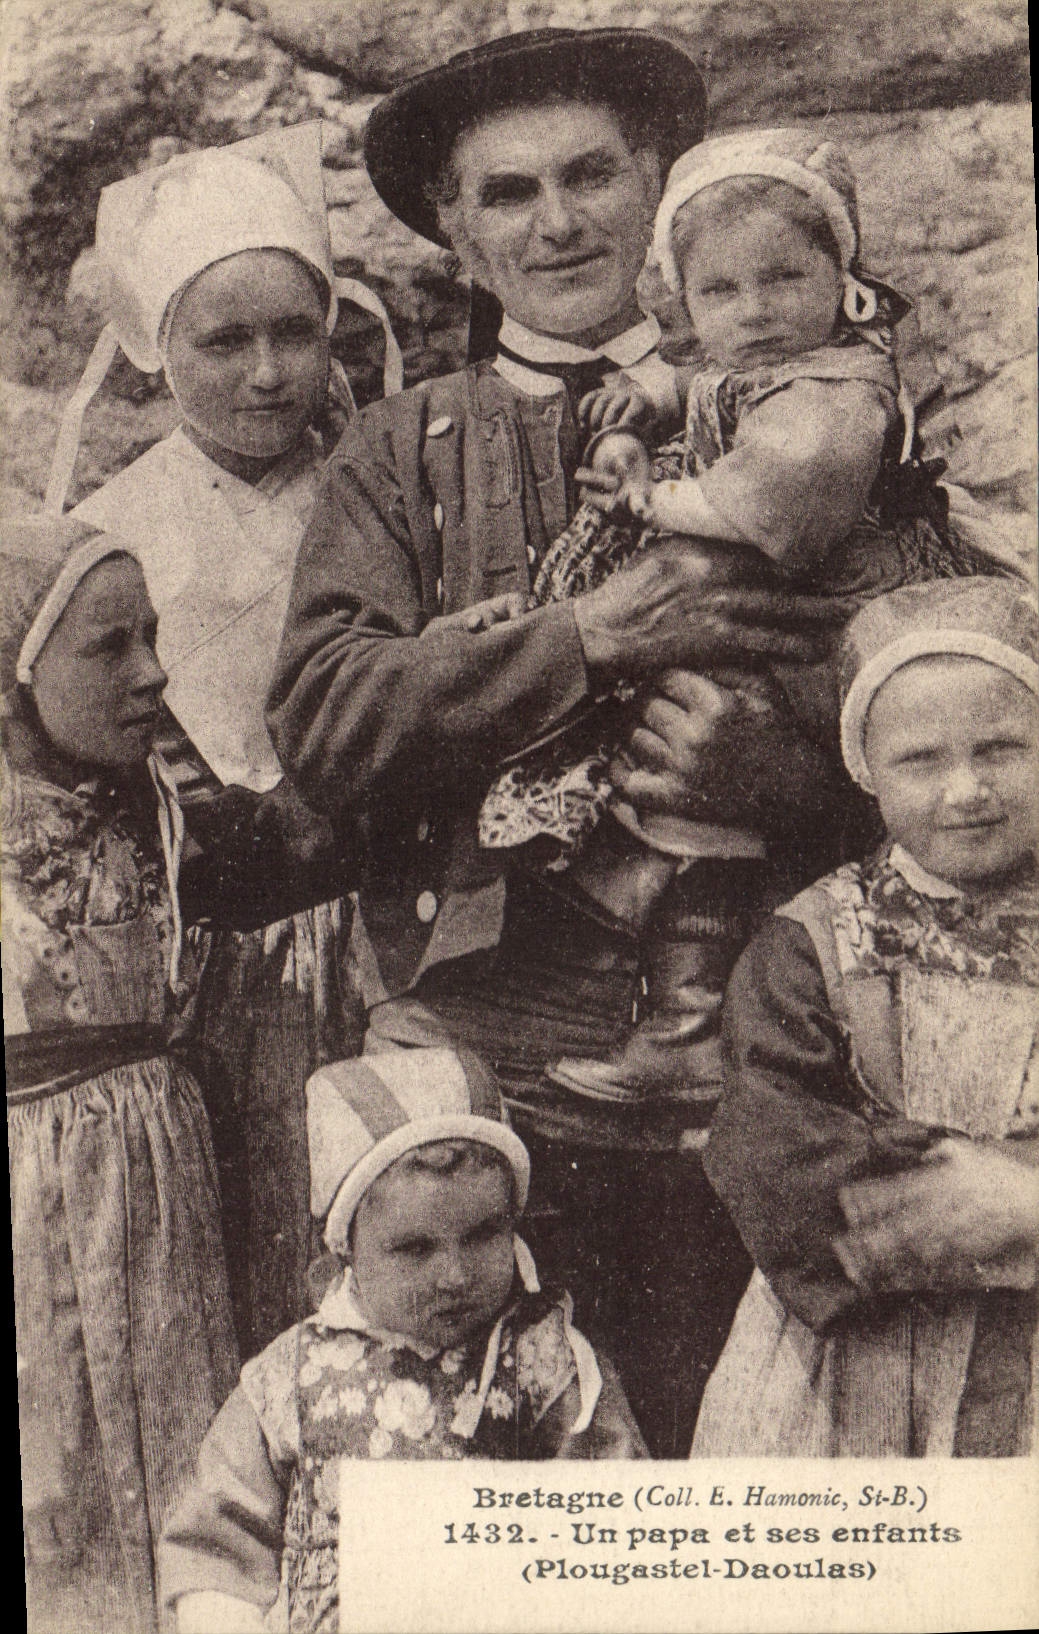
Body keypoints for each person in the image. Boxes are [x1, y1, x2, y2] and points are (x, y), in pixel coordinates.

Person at [267, 27, 870, 1454]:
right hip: (481, 1087)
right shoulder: (402, 448)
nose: (557, 220)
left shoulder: (811, 409)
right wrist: (585, 639)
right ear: (458, 239)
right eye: (509, 193)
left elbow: (954, 714)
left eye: (591, 174)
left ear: (655, 187)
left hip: (762, 1066)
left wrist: (777, 775)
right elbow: (325, 726)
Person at [477, 125, 991, 1103]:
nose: (753, 312)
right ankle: (687, 1005)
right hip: (770, 622)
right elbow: (693, 380)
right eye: (720, 291)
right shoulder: (755, 364)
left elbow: (764, 503)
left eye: (782, 280)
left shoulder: (839, 391)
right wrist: (640, 402)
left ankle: (694, 1021)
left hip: (829, 633)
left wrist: (648, 501)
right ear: (684, 296)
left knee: (699, 794)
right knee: (672, 777)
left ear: (838, 279)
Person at [55, 125, 402, 1355]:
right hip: (218, 955)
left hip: (391, 922)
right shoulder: (115, 527)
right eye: (223, 340)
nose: (266, 373)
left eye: (292, 334)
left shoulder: (381, 483)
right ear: (157, 354)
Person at [691, 577, 1039, 1457]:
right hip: (850, 1374)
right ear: (865, 772)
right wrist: (943, 1200)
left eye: (999, 748)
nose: (965, 790)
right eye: (920, 760)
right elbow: (769, 1147)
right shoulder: (813, 942)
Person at [159, 1045, 646, 1634]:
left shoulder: (542, 1359)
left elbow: (615, 1520)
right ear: (347, 1247)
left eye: (483, 1234)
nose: (456, 1275)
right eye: (416, 1249)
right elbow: (217, 1540)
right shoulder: (294, 1372)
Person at [2, 518, 243, 1634]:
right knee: (57, 1476)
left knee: (180, 1437)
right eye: (111, 647)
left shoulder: (163, 795)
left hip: (162, 1184)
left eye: (153, 637)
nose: (153, 670)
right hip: (32, 1197)